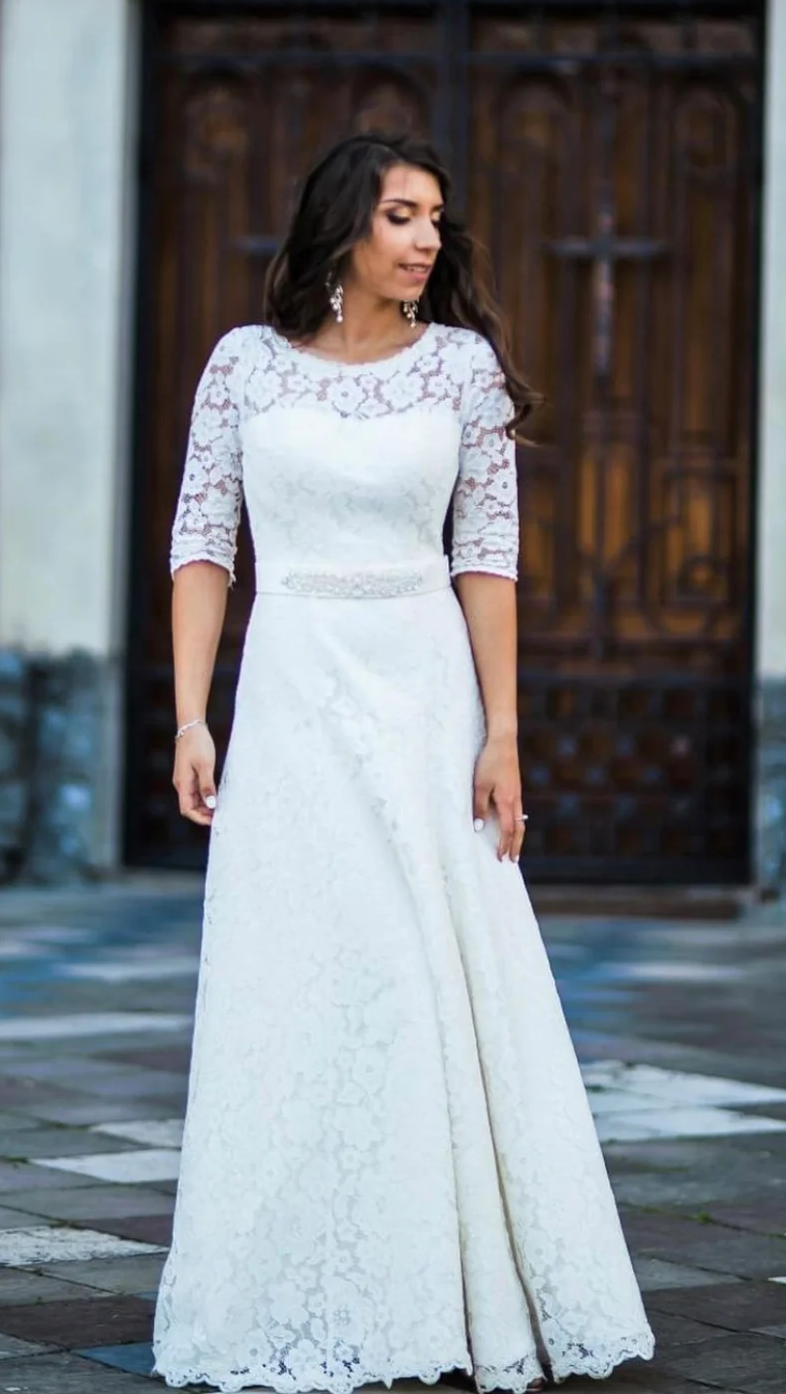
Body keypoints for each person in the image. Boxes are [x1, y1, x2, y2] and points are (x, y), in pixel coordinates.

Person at [153, 132, 654, 1394]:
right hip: (290, 696)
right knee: (302, 980)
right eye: (399, 215)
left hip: (422, 695)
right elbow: (203, 539)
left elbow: (488, 555)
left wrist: (503, 732)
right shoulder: (242, 368)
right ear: (342, 232)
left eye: (435, 217)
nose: (426, 238)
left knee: (413, 973)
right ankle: (289, 1280)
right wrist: (190, 715)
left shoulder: (463, 372)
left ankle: (435, 1291)